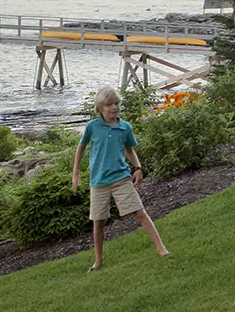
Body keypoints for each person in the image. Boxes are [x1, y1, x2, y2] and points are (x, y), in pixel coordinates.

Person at [72, 88, 170, 271]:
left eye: (116, 103)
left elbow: (130, 150)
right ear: (100, 107)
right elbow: (81, 147)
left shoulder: (125, 127)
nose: (114, 107)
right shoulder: (92, 127)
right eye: (109, 104)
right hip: (98, 182)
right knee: (98, 222)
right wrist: (76, 173)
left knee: (139, 213)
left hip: (121, 179)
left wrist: (139, 168)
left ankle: (161, 248)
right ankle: (98, 261)